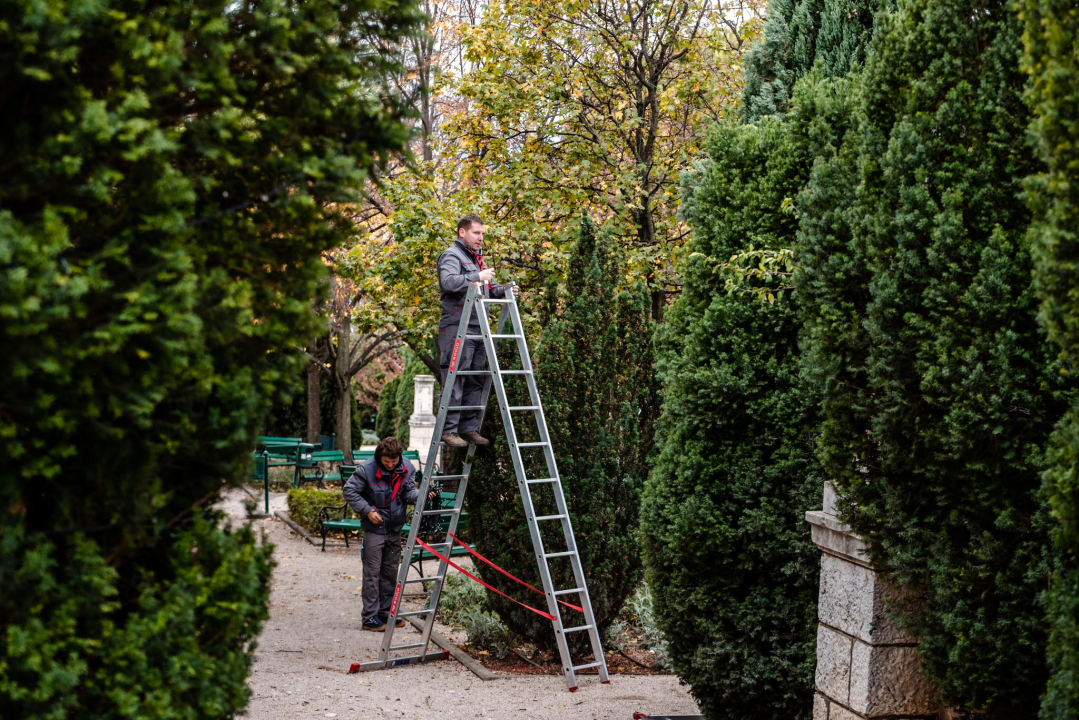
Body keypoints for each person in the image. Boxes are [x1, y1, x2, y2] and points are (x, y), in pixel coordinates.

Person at [436, 214, 519, 448]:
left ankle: (469, 429)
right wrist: (476, 277)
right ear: (462, 232)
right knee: (456, 377)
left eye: (482, 233)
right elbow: (448, 282)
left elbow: (487, 290)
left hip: (479, 326)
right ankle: (449, 430)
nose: (481, 237)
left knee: (475, 378)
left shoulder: (477, 259)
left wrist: (504, 290)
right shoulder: (452, 255)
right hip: (457, 326)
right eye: (476, 233)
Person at [342, 437, 435, 631]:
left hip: (394, 527)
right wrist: (367, 510)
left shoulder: (407, 467)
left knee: (390, 573)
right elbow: (349, 490)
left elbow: (406, 494)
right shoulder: (366, 469)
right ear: (379, 457)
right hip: (374, 528)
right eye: (386, 462)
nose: (391, 465)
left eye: (394, 461)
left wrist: (422, 495)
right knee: (372, 573)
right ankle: (369, 617)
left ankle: (386, 613)